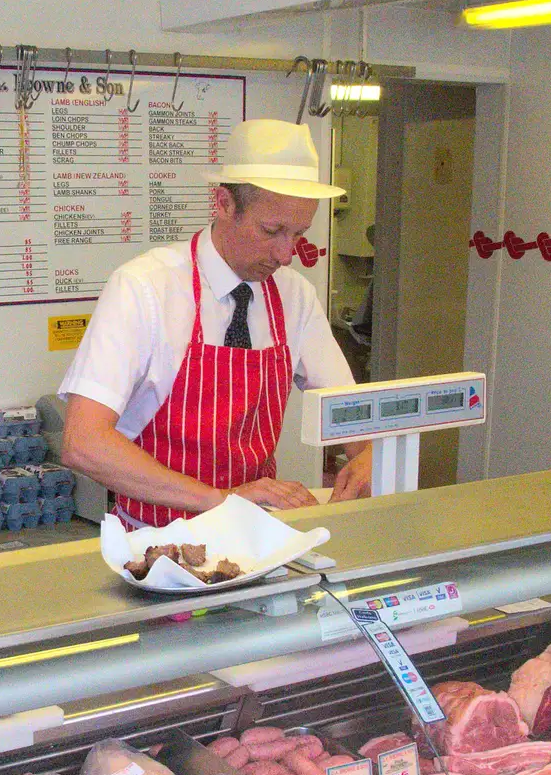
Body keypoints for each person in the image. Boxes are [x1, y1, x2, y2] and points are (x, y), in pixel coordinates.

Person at [58, 118, 371, 527]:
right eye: (272, 230)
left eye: (297, 234)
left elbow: (346, 409)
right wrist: (219, 499)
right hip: (156, 541)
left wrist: (366, 455)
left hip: (253, 533)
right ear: (223, 203)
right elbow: (83, 443)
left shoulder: (294, 296)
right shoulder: (144, 288)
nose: (286, 254)